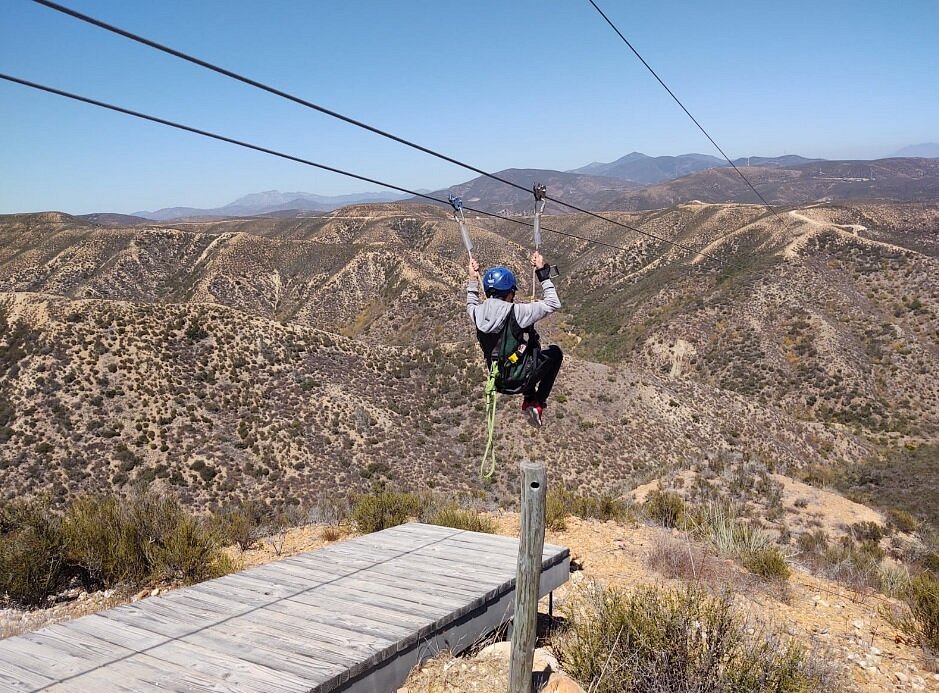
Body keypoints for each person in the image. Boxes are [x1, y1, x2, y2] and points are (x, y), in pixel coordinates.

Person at [466, 252, 563, 426]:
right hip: (521, 378)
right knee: (555, 353)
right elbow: (553, 303)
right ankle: (537, 402)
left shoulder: (477, 313)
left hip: (500, 381)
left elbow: (471, 302)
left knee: (525, 349)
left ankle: (529, 398)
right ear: (509, 293)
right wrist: (542, 273)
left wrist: (473, 279)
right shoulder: (517, 312)